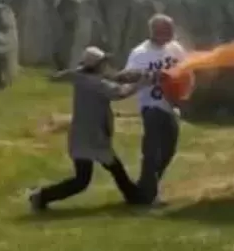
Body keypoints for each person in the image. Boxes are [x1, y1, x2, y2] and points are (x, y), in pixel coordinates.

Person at [28, 47, 152, 212]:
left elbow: (103, 78)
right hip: (93, 138)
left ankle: (41, 197)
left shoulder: (82, 77)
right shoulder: (94, 83)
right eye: (103, 63)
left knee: (88, 178)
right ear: (97, 65)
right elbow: (119, 93)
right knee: (105, 172)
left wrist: (126, 76)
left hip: (82, 136)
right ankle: (134, 197)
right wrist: (141, 83)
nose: (105, 65)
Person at [116, 14, 191, 206]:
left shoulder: (175, 49)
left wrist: (184, 94)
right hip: (151, 105)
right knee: (152, 151)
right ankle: (149, 195)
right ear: (154, 31)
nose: (170, 34)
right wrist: (150, 75)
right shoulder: (140, 52)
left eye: (171, 30)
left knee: (168, 150)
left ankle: (145, 188)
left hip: (171, 107)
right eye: (166, 30)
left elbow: (186, 72)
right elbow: (126, 76)